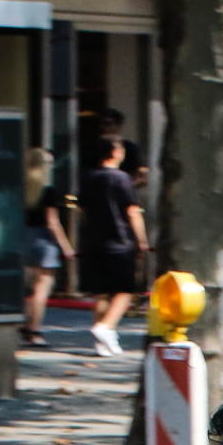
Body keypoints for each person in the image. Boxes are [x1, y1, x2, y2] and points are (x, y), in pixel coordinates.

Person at [78, 137, 148, 356]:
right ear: (114, 152)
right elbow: (132, 211)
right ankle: (105, 327)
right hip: (119, 242)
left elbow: (81, 210)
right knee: (126, 290)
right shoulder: (122, 179)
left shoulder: (89, 178)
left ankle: (102, 343)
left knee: (101, 294)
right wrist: (142, 240)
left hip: (94, 243)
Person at [20, 148, 73, 345]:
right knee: (42, 288)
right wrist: (66, 246)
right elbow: (52, 222)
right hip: (43, 240)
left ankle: (26, 324)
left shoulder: (20, 187)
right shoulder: (48, 190)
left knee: (30, 288)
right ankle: (33, 330)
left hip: (23, 237)